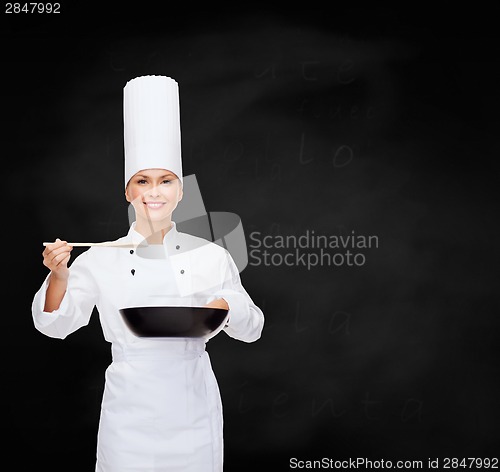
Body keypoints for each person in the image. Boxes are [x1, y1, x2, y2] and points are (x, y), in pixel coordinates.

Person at [32, 75, 265, 472]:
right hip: (130, 416)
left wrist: (227, 305)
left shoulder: (210, 255)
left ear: (180, 192)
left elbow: (253, 327)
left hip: (192, 409)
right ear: (128, 192)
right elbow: (54, 326)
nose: (153, 192)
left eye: (165, 181)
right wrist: (59, 275)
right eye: (142, 181)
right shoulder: (99, 259)